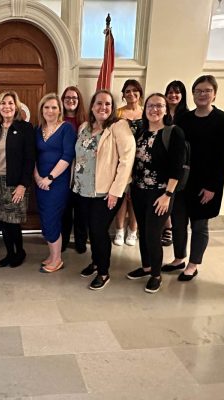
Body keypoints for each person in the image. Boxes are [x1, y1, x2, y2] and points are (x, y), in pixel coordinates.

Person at [163, 75, 224, 281]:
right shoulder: (185, 118)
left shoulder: (222, 120)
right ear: (192, 94)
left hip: (207, 182)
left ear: (214, 94)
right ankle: (179, 258)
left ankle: (193, 264)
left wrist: (212, 186)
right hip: (183, 180)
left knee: (199, 225)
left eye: (207, 91)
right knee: (178, 221)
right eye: (198, 91)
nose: (202, 95)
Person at [75, 90, 136, 290]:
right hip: (83, 190)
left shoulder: (118, 126)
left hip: (106, 192)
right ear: (92, 106)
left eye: (108, 104)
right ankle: (95, 262)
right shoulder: (84, 127)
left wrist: (115, 191)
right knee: (92, 229)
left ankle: (103, 271)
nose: (103, 107)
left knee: (100, 231)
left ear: (112, 108)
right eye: (99, 103)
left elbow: (126, 161)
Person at [125, 93, 186, 293]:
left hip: (160, 193)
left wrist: (168, 195)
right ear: (145, 109)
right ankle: (146, 267)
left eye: (159, 106)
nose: (154, 110)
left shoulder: (173, 132)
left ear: (166, 109)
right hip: (139, 190)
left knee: (153, 233)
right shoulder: (140, 132)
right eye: (150, 106)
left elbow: (177, 167)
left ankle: (156, 275)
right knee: (143, 230)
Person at [0, 90, 35, 268]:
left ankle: (19, 252)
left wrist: (23, 185)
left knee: (13, 221)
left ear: (16, 106)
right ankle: (10, 253)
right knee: (2, 219)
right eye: (3, 103)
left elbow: (30, 159)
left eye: (10, 103)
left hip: (15, 183)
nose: (7, 106)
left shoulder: (25, 128)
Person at [34, 93, 76, 273]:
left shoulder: (66, 128)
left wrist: (49, 178)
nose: (50, 111)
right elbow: (33, 156)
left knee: (52, 219)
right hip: (40, 183)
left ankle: (57, 259)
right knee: (44, 219)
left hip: (56, 183)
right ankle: (52, 255)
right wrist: (37, 177)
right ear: (41, 110)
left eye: (54, 107)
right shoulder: (37, 129)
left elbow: (67, 156)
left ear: (59, 110)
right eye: (46, 107)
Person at [113, 79, 142, 247]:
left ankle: (133, 231)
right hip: (122, 160)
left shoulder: (147, 112)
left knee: (135, 198)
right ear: (123, 95)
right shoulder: (117, 113)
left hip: (141, 162)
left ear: (139, 93)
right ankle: (119, 230)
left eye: (134, 90)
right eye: (127, 91)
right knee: (122, 197)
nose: (131, 94)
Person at [161, 80, 190, 247]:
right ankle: (165, 226)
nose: (173, 95)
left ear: (182, 95)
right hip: (161, 162)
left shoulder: (187, 116)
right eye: (170, 92)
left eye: (176, 92)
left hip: (178, 163)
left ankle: (170, 229)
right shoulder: (161, 114)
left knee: (173, 198)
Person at [60, 86, 88, 254]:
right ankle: (62, 240)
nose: (71, 101)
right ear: (62, 101)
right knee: (64, 209)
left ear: (79, 102)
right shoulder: (58, 120)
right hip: (63, 172)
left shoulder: (85, 121)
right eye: (67, 98)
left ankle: (80, 240)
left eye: (74, 98)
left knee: (81, 210)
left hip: (82, 173)